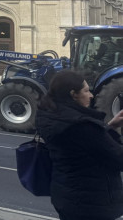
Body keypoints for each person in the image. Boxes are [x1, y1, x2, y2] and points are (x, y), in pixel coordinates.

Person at [35, 70, 123, 220]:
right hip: (91, 204)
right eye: (86, 91)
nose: (91, 95)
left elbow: (87, 146)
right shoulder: (82, 126)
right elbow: (118, 159)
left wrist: (110, 126)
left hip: (67, 195)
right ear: (73, 94)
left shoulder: (50, 116)